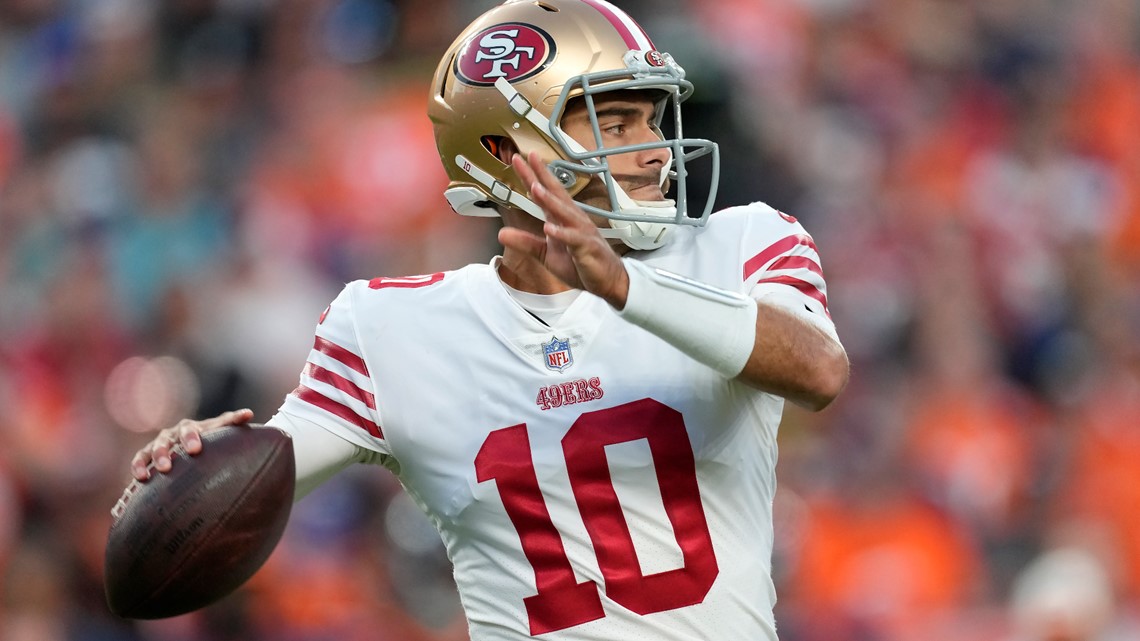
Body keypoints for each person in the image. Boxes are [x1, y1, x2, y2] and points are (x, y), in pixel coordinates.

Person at [129, 1, 849, 639]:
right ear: (509, 154)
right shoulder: (389, 326)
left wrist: (628, 286)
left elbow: (817, 370)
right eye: (615, 121)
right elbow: (260, 473)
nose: (655, 150)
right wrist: (191, 456)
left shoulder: (743, 242)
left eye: (652, 119)